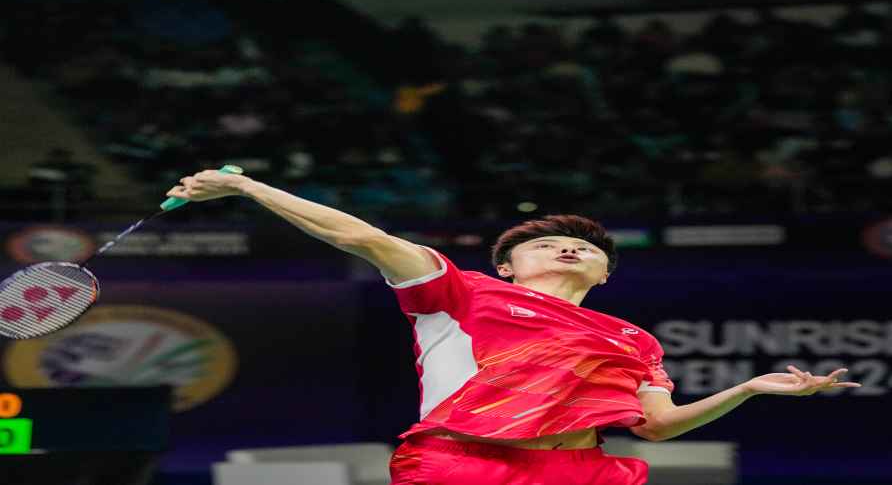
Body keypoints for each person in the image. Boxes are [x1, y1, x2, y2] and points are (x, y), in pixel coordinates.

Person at [166, 170, 861, 485]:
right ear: (505, 265)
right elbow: (363, 237)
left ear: (605, 276)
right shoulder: (456, 293)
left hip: (579, 468)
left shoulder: (632, 338)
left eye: (588, 248)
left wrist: (748, 391)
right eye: (546, 243)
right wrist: (251, 188)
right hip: (465, 462)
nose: (570, 248)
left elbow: (655, 426)